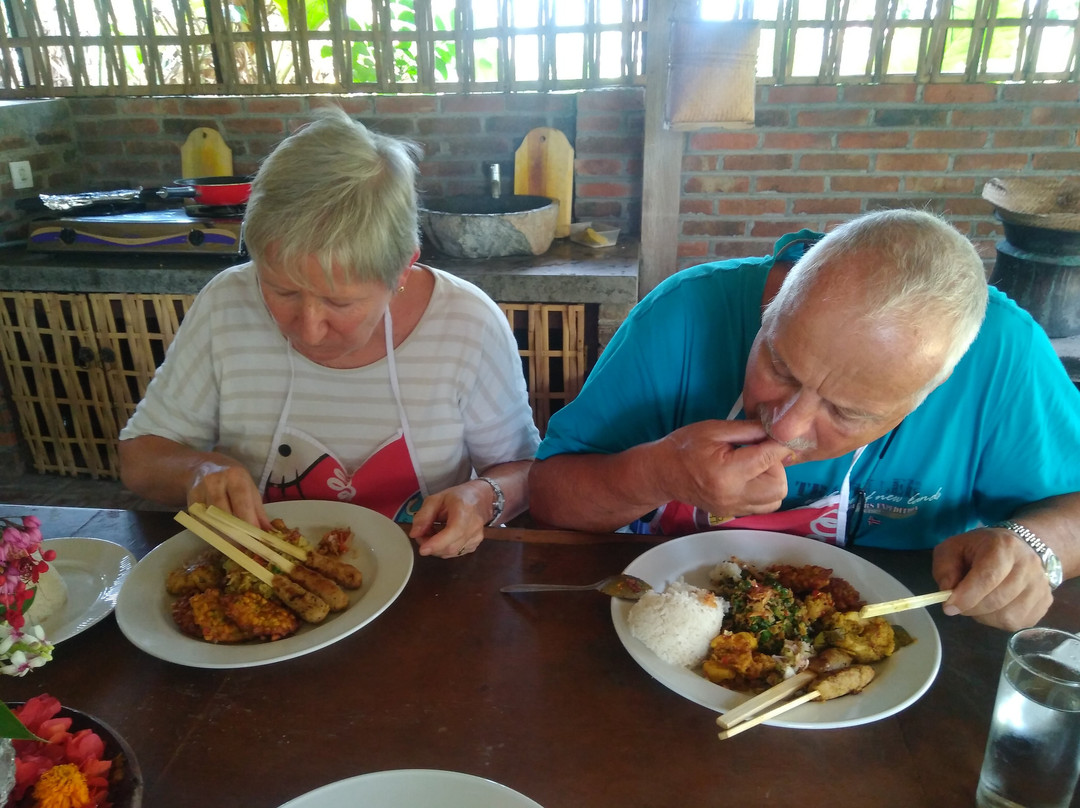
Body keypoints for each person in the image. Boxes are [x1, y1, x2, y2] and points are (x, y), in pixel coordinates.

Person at [529, 209, 1080, 630]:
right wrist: (657, 474)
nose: (787, 427)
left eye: (846, 412)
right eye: (779, 365)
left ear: (927, 396)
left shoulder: (1005, 356)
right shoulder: (686, 312)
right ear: (772, 307)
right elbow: (551, 499)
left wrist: (1030, 548)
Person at [119, 107, 540, 559]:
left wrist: (482, 496)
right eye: (281, 290)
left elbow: (523, 470)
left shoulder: (466, 321)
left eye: (340, 302)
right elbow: (140, 458)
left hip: (424, 579)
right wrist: (197, 470)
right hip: (263, 578)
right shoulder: (226, 303)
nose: (310, 329)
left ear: (403, 268)